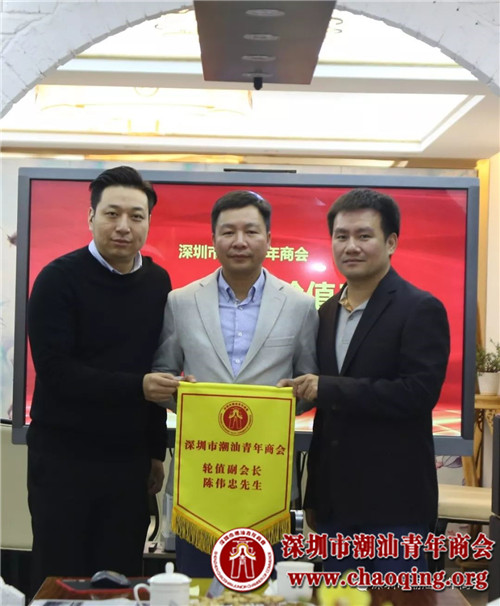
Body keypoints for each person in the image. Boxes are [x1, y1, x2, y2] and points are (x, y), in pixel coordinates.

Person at [146, 190, 319, 576]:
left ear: (269, 239)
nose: (239, 241)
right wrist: (182, 392)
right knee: (198, 589)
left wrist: (289, 398)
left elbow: (308, 385)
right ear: (213, 239)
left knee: (263, 591)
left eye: (251, 231)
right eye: (228, 232)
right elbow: (163, 372)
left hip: (266, 480)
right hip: (201, 477)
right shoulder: (181, 301)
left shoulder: (299, 305)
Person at [280, 188, 450, 574]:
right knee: (338, 599)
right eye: (341, 236)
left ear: (391, 242)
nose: (351, 246)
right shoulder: (326, 312)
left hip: (395, 506)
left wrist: (327, 388)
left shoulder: (420, 308)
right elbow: (327, 414)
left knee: (396, 600)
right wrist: (313, 496)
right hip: (335, 505)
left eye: (364, 235)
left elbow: (418, 393)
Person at [27, 166, 175, 592]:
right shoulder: (58, 279)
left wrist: (155, 452)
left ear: (148, 222)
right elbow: (56, 372)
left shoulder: (157, 282)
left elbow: (155, 363)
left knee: (119, 578)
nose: (124, 226)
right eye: (112, 214)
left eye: (136, 216)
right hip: (63, 459)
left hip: (128, 463)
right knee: (61, 578)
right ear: (91, 217)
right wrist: (137, 387)